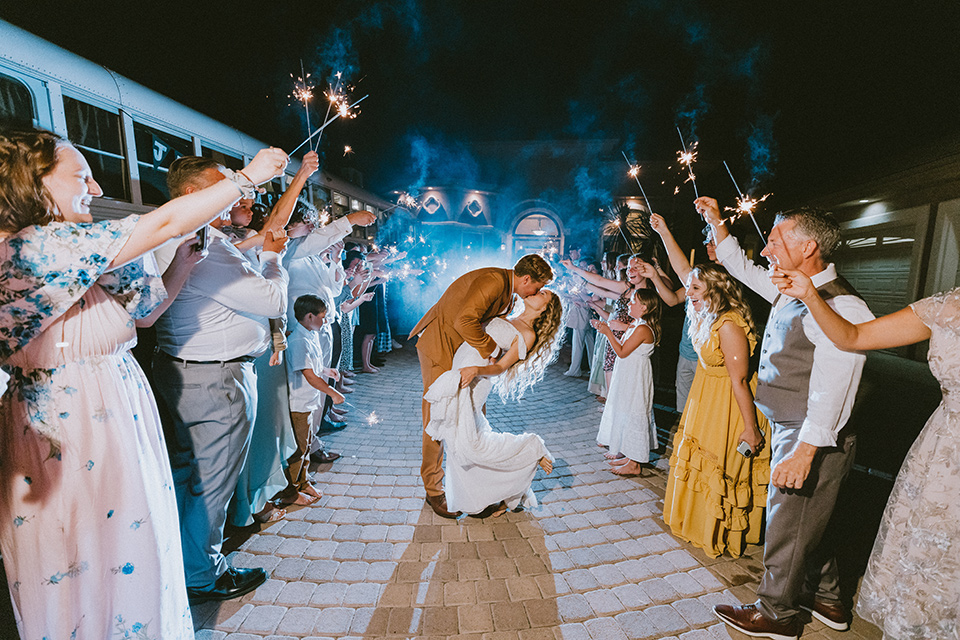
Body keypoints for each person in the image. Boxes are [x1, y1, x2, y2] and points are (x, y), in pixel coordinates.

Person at [0, 126, 287, 639]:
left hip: (118, 412)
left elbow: (147, 315)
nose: (95, 189)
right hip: (71, 424)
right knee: (84, 555)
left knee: (132, 548)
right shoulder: (31, 249)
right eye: (80, 177)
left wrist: (181, 264)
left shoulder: (84, 251)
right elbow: (168, 218)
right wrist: (247, 178)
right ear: (32, 184)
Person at [698, 196, 875, 640]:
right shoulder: (790, 287)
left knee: (787, 523)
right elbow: (741, 265)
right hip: (792, 423)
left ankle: (776, 613)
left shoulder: (844, 307)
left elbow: (834, 388)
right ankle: (829, 599)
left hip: (812, 432)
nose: (766, 250)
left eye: (775, 241)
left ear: (809, 246)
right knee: (815, 520)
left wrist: (804, 451)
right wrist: (717, 223)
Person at [771, 271, 959, 640]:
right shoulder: (945, 307)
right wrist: (810, 294)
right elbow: (853, 336)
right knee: (933, 572)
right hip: (946, 458)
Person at [151, 155, 291, 603]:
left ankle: (182, 563)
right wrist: (273, 257)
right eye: (223, 184)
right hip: (217, 380)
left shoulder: (181, 234)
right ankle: (202, 575)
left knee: (189, 476)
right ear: (194, 195)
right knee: (211, 482)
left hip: (185, 371)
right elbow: (271, 300)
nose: (236, 192)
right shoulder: (204, 244)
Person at [410, 254, 554, 519]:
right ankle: (433, 490)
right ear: (525, 279)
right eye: (537, 286)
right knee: (438, 418)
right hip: (441, 347)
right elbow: (464, 321)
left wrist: (484, 363)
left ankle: (479, 491)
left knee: (472, 426)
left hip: (468, 363)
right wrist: (491, 352)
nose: (537, 291)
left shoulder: (509, 294)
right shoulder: (493, 282)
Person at [662, 263, 770, 558]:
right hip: (705, 396)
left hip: (728, 404)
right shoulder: (705, 316)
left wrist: (751, 428)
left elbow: (739, 380)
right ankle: (695, 522)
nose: (689, 294)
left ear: (715, 290)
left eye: (695, 288)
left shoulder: (729, 324)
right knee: (698, 458)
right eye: (690, 287)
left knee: (721, 468)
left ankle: (718, 531)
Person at [281, 294, 346, 501]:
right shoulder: (299, 340)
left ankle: (303, 480)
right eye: (322, 316)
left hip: (308, 401)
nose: (325, 321)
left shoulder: (309, 334)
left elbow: (313, 366)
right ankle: (291, 491)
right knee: (298, 449)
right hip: (299, 403)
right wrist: (332, 393)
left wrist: (326, 371)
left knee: (306, 444)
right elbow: (308, 375)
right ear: (309, 316)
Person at [592, 289, 662, 476]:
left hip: (636, 377)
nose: (629, 304)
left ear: (644, 307)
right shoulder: (636, 324)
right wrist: (606, 329)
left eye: (633, 302)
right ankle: (629, 455)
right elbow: (622, 348)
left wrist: (607, 332)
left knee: (634, 413)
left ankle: (635, 462)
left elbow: (622, 352)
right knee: (625, 411)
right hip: (628, 374)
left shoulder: (643, 329)